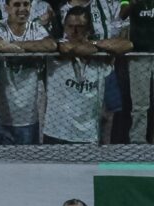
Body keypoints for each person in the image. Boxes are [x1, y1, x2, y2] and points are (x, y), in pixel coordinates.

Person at [42, 6, 132, 144]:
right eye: (70, 26)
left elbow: (127, 45)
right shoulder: (55, 53)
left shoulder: (100, 55)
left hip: (88, 136)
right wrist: (67, 48)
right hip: (56, 133)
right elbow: (46, 44)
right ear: (64, 27)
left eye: (80, 26)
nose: (74, 31)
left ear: (89, 29)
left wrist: (94, 44)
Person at [0, 0, 56, 145]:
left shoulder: (35, 27)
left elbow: (50, 45)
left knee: (28, 165)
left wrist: (15, 46)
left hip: (28, 117)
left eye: (26, 4)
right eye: (17, 4)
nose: (22, 9)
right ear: (6, 8)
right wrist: (33, 47)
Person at [121, 0, 154, 144]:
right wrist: (133, 2)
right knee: (140, 103)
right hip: (138, 55)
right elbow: (122, 15)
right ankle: (137, 141)